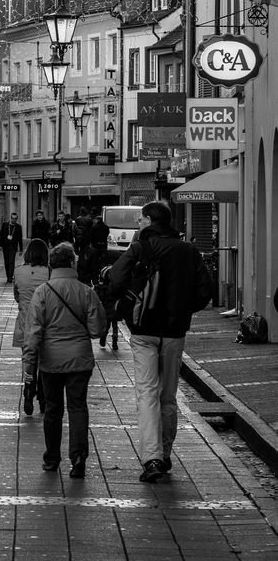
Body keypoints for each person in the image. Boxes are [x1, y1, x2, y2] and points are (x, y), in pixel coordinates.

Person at [107, 200, 212, 483]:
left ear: (150, 220)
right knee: (168, 395)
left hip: (143, 331)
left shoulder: (141, 247)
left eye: (141, 219)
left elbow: (116, 280)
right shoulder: (188, 250)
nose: (138, 224)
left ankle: (152, 458)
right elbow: (205, 291)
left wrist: (131, 303)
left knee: (147, 393)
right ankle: (164, 455)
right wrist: (181, 310)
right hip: (174, 332)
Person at [23, 242, 106, 478]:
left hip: (50, 361)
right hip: (79, 359)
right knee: (78, 407)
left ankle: (51, 458)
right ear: (72, 263)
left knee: (53, 409)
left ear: (51, 264)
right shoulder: (86, 291)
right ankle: (78, 457)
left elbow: (33, 332)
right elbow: (97, 330)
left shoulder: (42, 292)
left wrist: (29, 365)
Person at [12, 238, 50, 415]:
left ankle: (28, 389)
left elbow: (17, 296)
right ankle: (43, 398)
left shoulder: (18, 272)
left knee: (28, 360)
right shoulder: (49, 273)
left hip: (25, 323)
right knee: (44, 361)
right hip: (45, 323)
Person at [79, 210, 110, 285]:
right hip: (103, 246)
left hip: (96, 246)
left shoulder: (94, 227)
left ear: (97, 220)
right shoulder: (106, 227)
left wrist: (91, 243)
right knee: (103, 261)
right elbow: (107, 234)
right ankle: (103, 274)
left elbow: (91, 236)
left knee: (95, 261)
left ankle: (96, 275)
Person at [0, 211, 24, 282]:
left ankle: (10, 277)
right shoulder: (5, 225)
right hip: (5, 246)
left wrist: (21, 249)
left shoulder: (18, 227)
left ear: (17, 219)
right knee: (6, 262)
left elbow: (20, 238)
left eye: (15, 219)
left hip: (13, 247)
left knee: (11, 262)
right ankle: (8, 275)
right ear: (10, 218)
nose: (13, 220)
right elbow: (0, 235)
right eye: (12, 218)